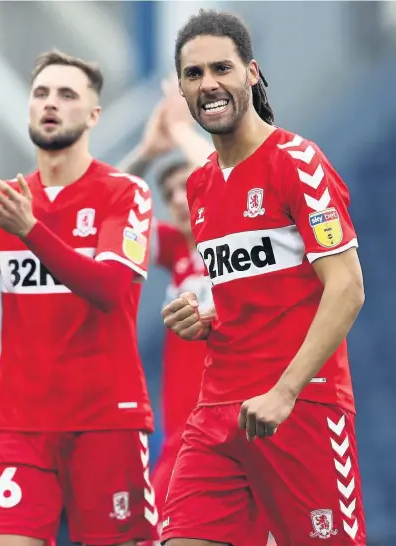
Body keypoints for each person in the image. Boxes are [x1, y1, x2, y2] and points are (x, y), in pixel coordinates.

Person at [0, 50, 158, 546]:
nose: (50, 103)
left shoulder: (124, 194)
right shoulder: (3, 203)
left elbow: (108, 287)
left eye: (67, 94)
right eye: (41, 93)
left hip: (105, 423)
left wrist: (31, 230)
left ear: (93, 114)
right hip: (20, 427)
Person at [161, 9, 366, 546]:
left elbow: (347, 287)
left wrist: (286, 391)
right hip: (216, 412)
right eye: (193, 74)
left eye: (222, 68)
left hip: (300, 409)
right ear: (183, 90)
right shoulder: (200, 185)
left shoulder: (297, 161)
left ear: (251, 73)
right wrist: (209, 317)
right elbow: (260, 287)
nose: (209, 84)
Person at [118, 84, 214, 523]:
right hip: (183, 436)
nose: (178, 199)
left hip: (237, 426)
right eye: (169, 192)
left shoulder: (243, 243)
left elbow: (235, 179)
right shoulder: (176, 250)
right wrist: (144, 153)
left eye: (188, 187)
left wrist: (181, 131)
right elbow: (104, 214)